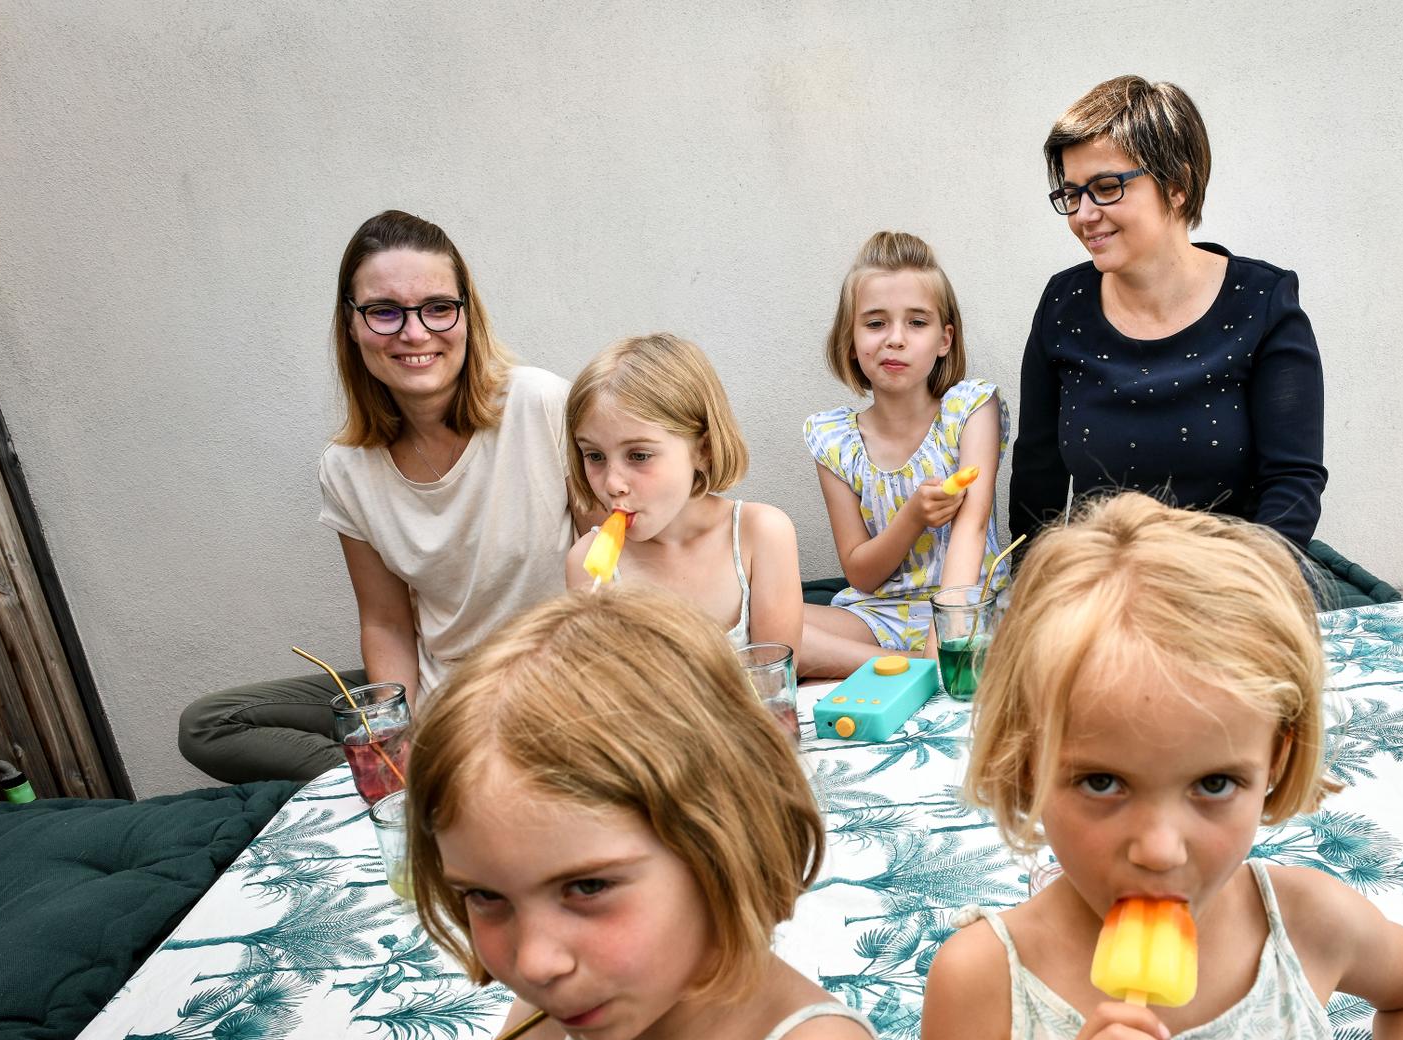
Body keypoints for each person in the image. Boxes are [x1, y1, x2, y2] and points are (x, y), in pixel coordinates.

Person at [918, 492, 1403, 1040]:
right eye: (1102, 781)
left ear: (1275, 759)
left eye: (1213, 783)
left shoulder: (1303, 923)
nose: (1158, 849)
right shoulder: (983, 982)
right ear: (1026, 758)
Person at [314, 585, 927, 1040]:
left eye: (587, 887)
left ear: (724, 840)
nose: (535, 962)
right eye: (485, 897)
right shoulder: (552, 1022)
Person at [178, 209, 581, 783]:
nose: (414, 334)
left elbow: (614, 565)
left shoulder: (542, 405)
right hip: (439, 690)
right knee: (209, 724)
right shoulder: (346, 468)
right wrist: (395, 738)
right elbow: (388, 622)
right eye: (384, 311)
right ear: (351, 324)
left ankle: (419, 777)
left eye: (437, 307)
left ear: (467, 314)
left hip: (554, 694)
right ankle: (391, 777)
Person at [1010, 76, 1328, 557]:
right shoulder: (1063, 305)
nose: (1083, 215)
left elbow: (1292, 483)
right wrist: (1036, 583)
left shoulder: (1262, 303)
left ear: (1176, 184)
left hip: (1232, 578)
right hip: (1102, 583)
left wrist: (1239, 586)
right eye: (1072, 194)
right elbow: (1038, 478)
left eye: (1106, 187)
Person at [803, 231, 1010, 656]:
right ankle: (906, 664)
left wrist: (945, 645)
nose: (895, 338)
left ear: (944, 340)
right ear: (850, 340)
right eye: (875, 323)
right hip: (878, 615)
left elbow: (970, 530)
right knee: (769, 626)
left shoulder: (970, 410)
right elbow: (861, 574)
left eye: (917, 322)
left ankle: (913, 664)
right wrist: (913, 516)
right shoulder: (833, 440)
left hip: (968, 606)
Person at [562, 333, 824, 664]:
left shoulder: (761, 534)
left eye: (639, 456)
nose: (613, 484)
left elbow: (774, 679)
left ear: (703, 450)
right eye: (595, 456)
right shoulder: (586, 563)